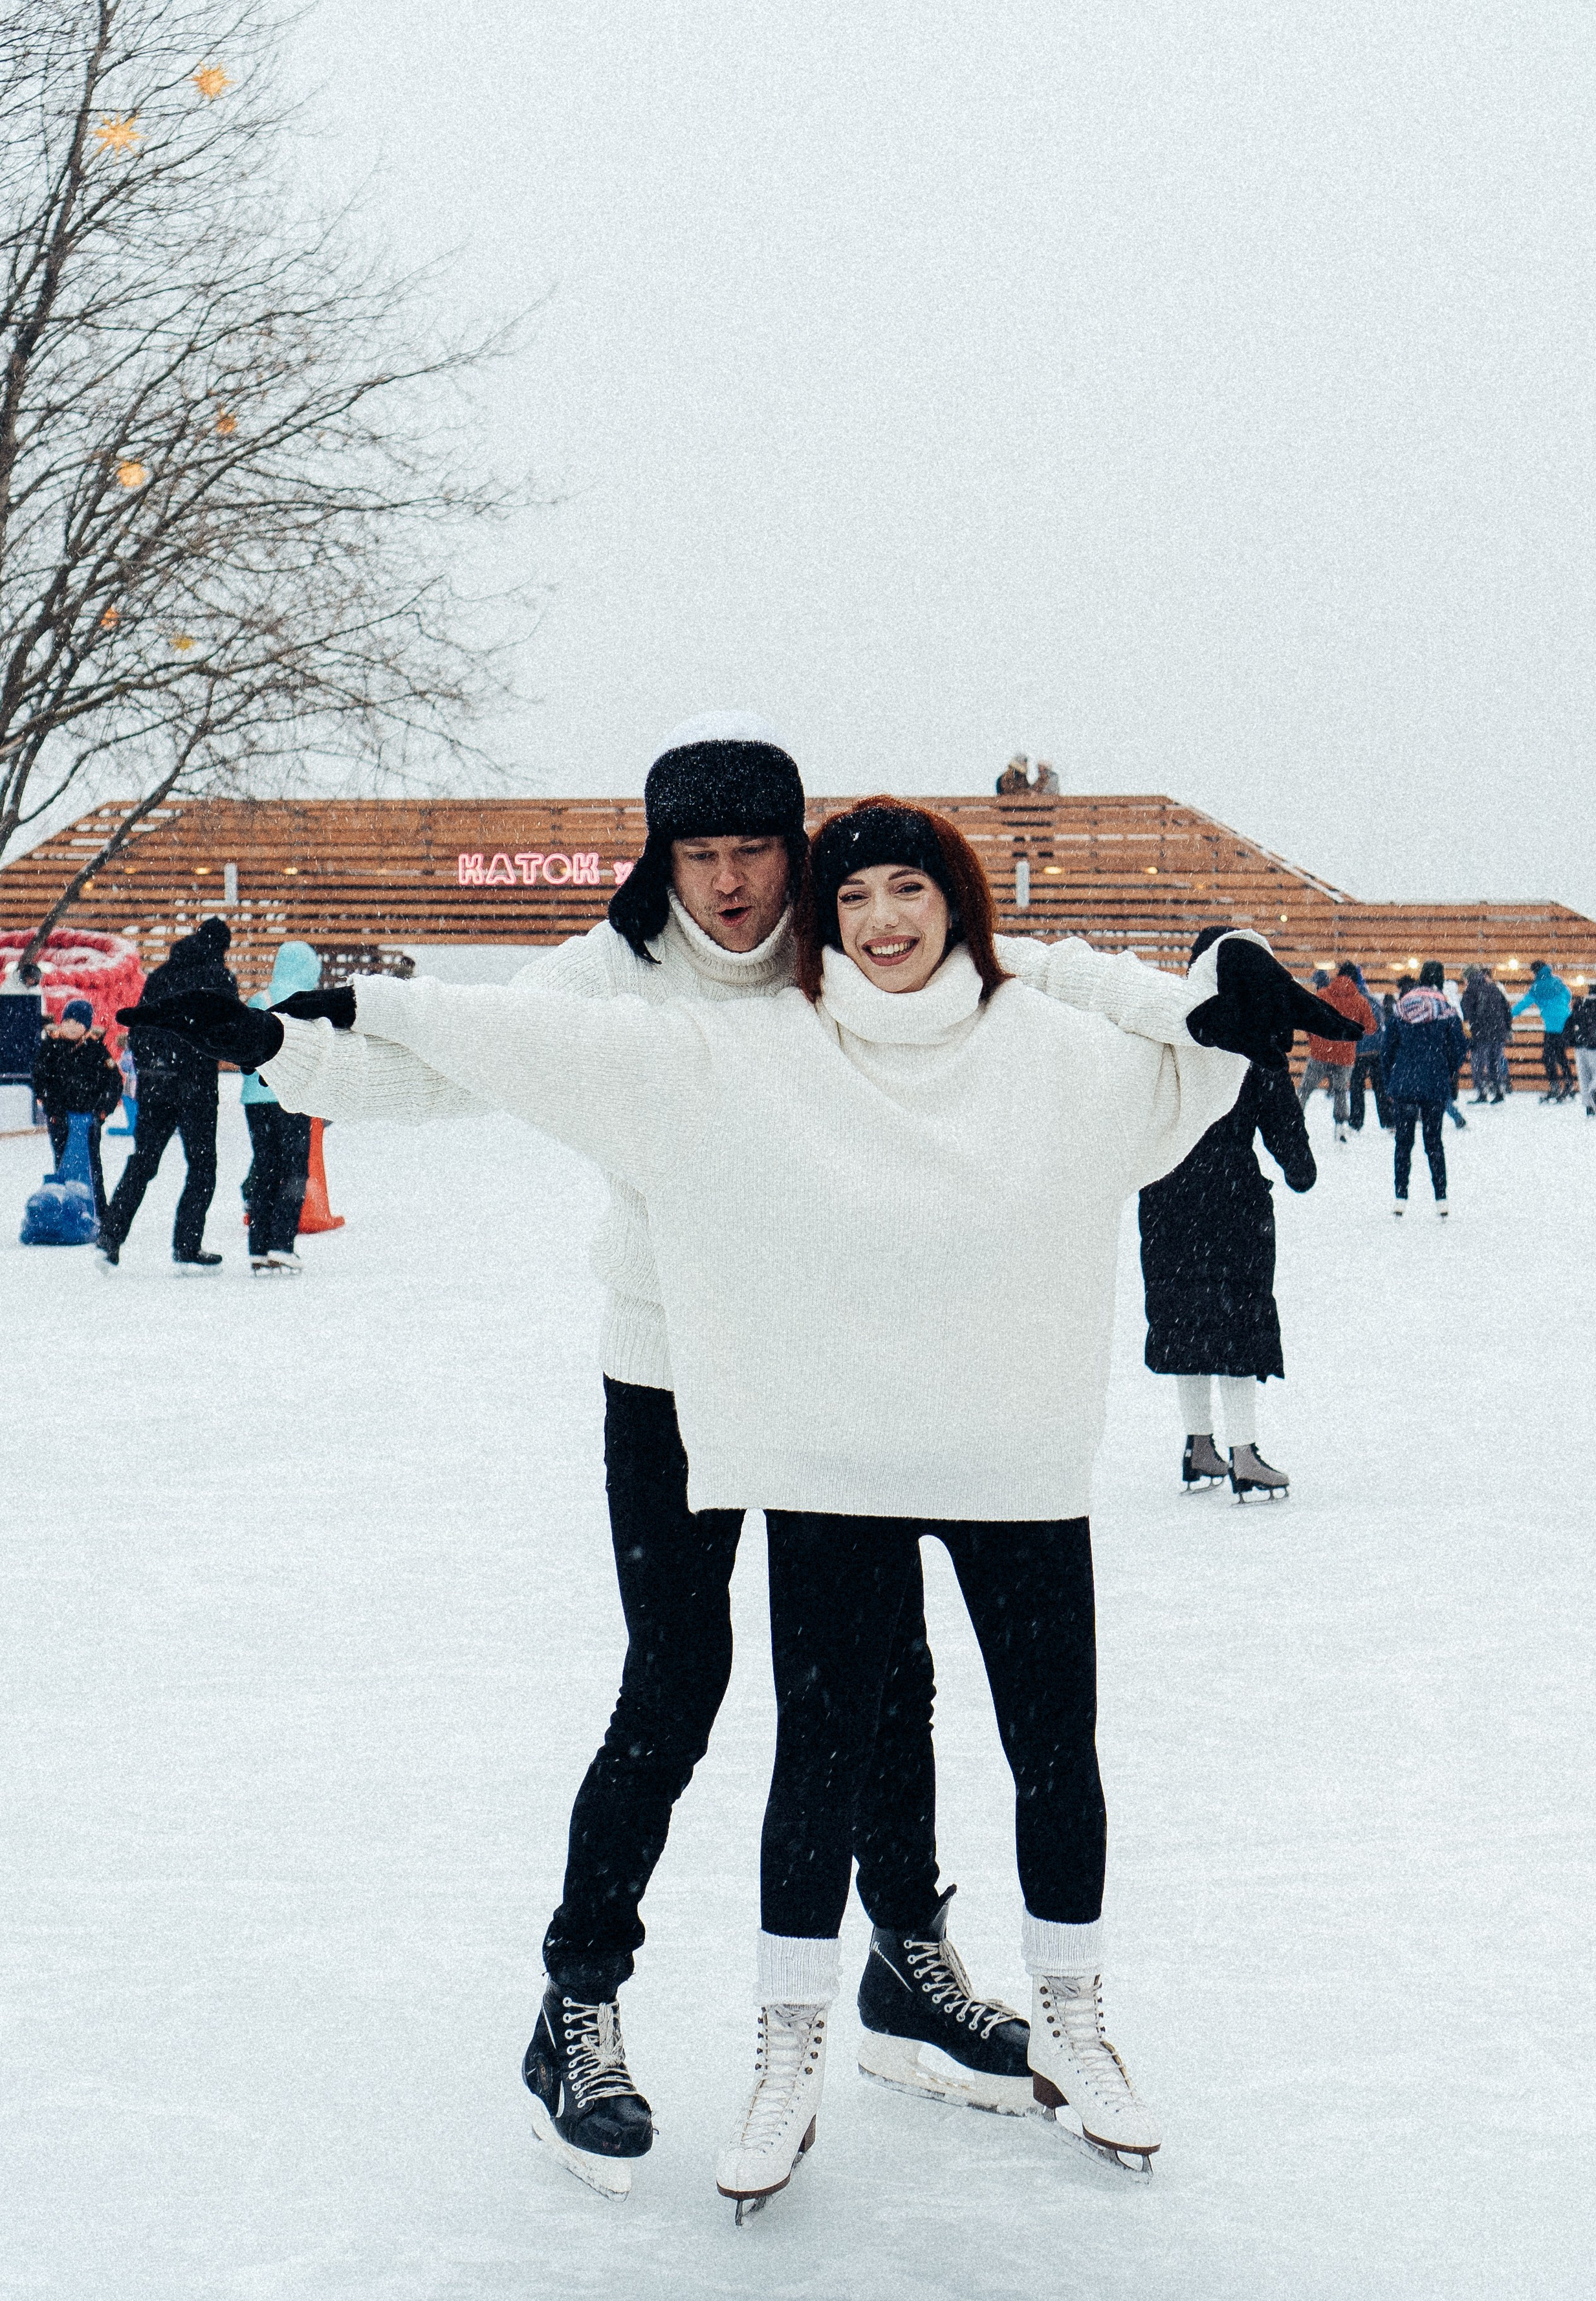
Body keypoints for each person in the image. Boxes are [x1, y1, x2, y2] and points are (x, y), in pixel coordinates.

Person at [126, 796, 1350, 2208]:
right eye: (698, 856)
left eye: (753, 853)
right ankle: (581, 1996)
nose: (730, 883)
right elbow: (489, 1062)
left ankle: (902, 1962)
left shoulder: (827, 961)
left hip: (832, 1372)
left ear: (794, 854)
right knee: (681, 1681)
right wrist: (287, 1042)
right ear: (665, 861)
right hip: (670, 1370)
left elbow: (1040, 974)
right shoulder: (625, 972)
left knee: (884, 1677)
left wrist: (1207, 990)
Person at [1141, 930, 1316, 1498]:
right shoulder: (1252, 1036)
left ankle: (1199, 1445)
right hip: (1231, 1199)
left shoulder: (1165, 1030)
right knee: (1236, 1319)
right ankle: (1244, 1453)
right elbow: (1285, 1128)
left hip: (1167, 1192)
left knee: (1188, 1318)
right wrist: (1298, 1166)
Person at [96, 918, 237, 1271]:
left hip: (158, 1082)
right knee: (203, 1166)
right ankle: (187, 1245)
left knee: (143, 1160)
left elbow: (139, 1026)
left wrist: (152, 1066)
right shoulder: (219, 979)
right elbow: (231, 1030)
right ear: (221, 948)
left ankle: (111, 1237)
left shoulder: (160, 976)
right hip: (197, 1086)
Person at [242, 941, 322, 1271]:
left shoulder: (259, 1001)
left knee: (264, 1168)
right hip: (292, 1097)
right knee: (293, 1171)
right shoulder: (309, 1006)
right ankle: (282, 1244)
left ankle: (258, 1247)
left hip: (255, 1099)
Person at [1383, 962, 1467, 1217]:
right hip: (1434, 1082)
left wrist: (1392, 1079)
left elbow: (1388, 1050)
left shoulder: (1402, 1007)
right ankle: (1441, 1199)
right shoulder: (1446, 1008)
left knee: (1403, 1143)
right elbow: (1459, 1048)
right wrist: (1448, 1071)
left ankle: (1400, 1197)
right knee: (1434, 1143)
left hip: (1405, 1083)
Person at [29, 997, 123, 1211]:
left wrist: (102, 1111)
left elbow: (114, 1081)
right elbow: (40, 1078)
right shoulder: (51, 1048)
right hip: (60, 1117)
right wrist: (51, 1108)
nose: (72, 1027)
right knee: (63, 1161)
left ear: (86, 1027)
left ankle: (99, 1208)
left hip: (88, 1118)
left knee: (92, 1164)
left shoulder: (97, 1051)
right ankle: (66, 1206)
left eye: (78, 1023)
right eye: (68, 1021)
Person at [1296, 962, 1372, 1142]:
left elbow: (1309, 1020)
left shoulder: (1322, 994)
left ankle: (1294, 1121)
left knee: (1306, 1089)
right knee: (1340, 1091)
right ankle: (1340, 1127)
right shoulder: (1360, 1000)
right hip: (1345, 1056)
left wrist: (1314, 1041)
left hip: (1321, 1052)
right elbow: (1370, 1027)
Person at [1511, 959, 1575, 1103]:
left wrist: (1508, 1015)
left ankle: (1555, 1087)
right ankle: (1569, 1084)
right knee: (1561, 1056)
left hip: (1553, 1026)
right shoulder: (1558, 981)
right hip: (1567, 1022)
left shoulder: (1537, 987)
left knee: (1547, 1057)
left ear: (1535, 972)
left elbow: (1523, 1004)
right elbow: (1568, 995)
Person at [1346, 965, 1390, 1133]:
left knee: (1357, 1088)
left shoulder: (1350, 1001)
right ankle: (1387, 1120)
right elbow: (1380, 1024)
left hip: (1357, 1052)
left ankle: (1356, 1122)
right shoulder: (1372, 1001)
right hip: (1376, 1051)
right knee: (1380, 1087)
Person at [1566, 974, 1596, 1117]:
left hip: (1580, 1046)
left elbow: (1569, 1024)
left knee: (1584, 1077)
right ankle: (1595, 1092)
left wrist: (1572, 1040)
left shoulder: (1581, 1005)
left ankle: (1589, 1106)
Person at [1461, 966, 1511, 1104]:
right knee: (1494, 1063)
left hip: (1481, 1033)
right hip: (1498, 1032)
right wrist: (1508, 1028)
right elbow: (1507, 1009)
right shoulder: (1494, 988)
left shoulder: (1470, 991)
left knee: (1477, 1063)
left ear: (1467, 978)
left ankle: (1482, 1092)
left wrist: (1470, 1031)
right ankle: (1499, 1091)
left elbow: (1467, 1012)